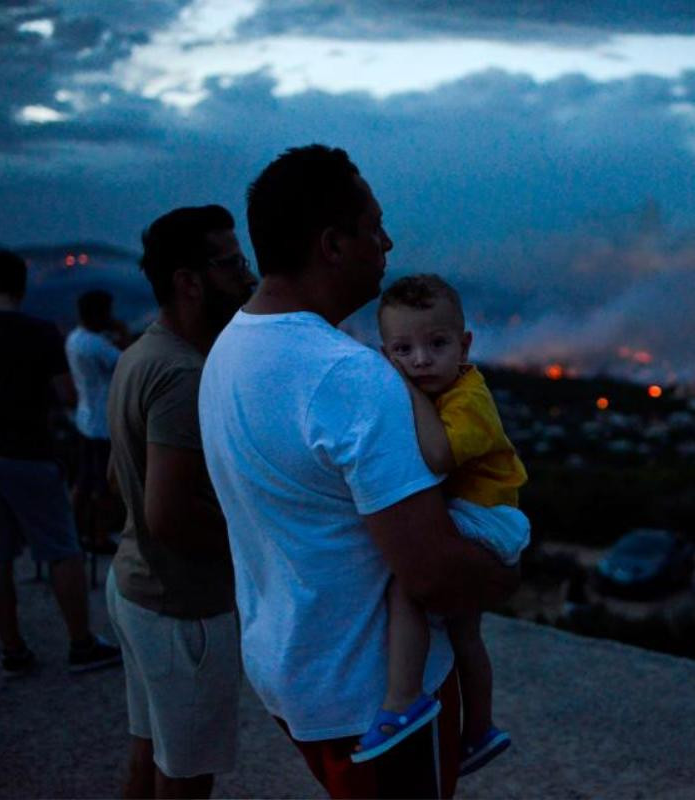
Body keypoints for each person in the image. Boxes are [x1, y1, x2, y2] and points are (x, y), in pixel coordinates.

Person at [198, 145, 519, 799]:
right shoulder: (350, 374)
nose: (388, 240)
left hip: (293, 674)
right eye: (374, 226)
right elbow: (432, 574)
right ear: (333, 245)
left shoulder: (231, 347)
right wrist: (507, 571)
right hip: (376, 701)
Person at [105, 205, 255, 799]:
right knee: (186, 779)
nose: (247, 276)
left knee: (149, 753)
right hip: (182, 609)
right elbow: (168, 513)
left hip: (135, 586)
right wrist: (254, 540)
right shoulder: (185, 374)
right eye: (233, 263)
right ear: (189, 282)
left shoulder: (142, 353)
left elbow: (125, 484)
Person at [362, 274, 529, 775]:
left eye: (437, 344)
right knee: (465, 635)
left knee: (410, 582)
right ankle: (479, 731)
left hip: (488, 517)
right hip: (485, 511)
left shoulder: (468, 398)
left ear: (465, 344)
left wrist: (401, 387)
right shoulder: (444, 386)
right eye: (403, 349)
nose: (420, 360)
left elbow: (437, 455)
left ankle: (402, 700)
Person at [0, 250, 122, 677]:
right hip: (29, 453)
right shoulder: (40, 333)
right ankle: (80, 643)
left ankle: (14, 651)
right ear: (22, 286)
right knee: (61, 548)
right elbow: (67, 396)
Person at [65, 290, 122, 555]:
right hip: (102, 424)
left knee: (82, 481)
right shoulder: (97, 345)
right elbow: (124, 362)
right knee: (104, 486)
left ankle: (74, 532)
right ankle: (99, 536)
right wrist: (122, 334)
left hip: (84, 418)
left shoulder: (75, 339)